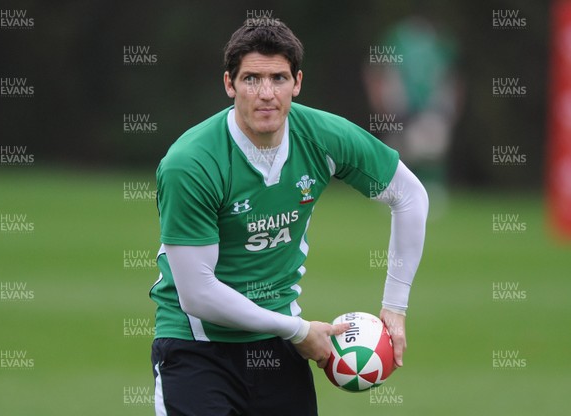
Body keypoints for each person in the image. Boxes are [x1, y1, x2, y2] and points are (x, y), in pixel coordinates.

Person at [150, 19, 428, 416]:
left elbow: (410, 196)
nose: (266, 94)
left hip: (278, 349)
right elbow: (197, 294)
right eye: (251, 79)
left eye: (278, 78)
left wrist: (395, 307)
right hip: (197, 349)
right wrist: (298, 330)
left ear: (297, 82)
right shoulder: (191, 163)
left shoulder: (322, 136)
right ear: (229, 84)